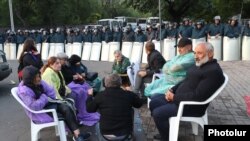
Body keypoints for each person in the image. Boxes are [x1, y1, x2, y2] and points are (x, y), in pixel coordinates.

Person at [149, 42, 225, 141]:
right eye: (195, 53)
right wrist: (172, 90)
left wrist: (174, 97)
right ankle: (166, 130)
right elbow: (185, 81)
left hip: (190, 106)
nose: (196, 56)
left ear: (210, 54)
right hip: (180, 99)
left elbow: (199, 96)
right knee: (154, 102)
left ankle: (166, 138)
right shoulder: (200, 64)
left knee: (158, 113)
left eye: (199, 53)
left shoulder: (213, 72)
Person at [18, 66, 91, 141]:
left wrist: (43, 98)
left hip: (47, 104)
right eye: (36, 77)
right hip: (39, 112)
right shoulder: (24, 91)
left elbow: (51, 92)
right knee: (65, 112)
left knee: (67, 107)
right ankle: (77, 135)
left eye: (38, 76)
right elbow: (34, 106)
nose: (39, 78)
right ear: (29, 79)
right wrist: (44, 97)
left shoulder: (39, 82)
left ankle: (77, 135)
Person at [86, 74, 143, 141]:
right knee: (132, 110)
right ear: (120, 83)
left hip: (106, 134)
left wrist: (89, 95)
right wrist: (131, 92)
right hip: (125, 134)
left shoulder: (100, 95)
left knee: (97, 125)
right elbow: (139, 104)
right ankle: (130, 137)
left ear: (105, 84)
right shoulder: (128, 94)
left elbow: (89, 109)